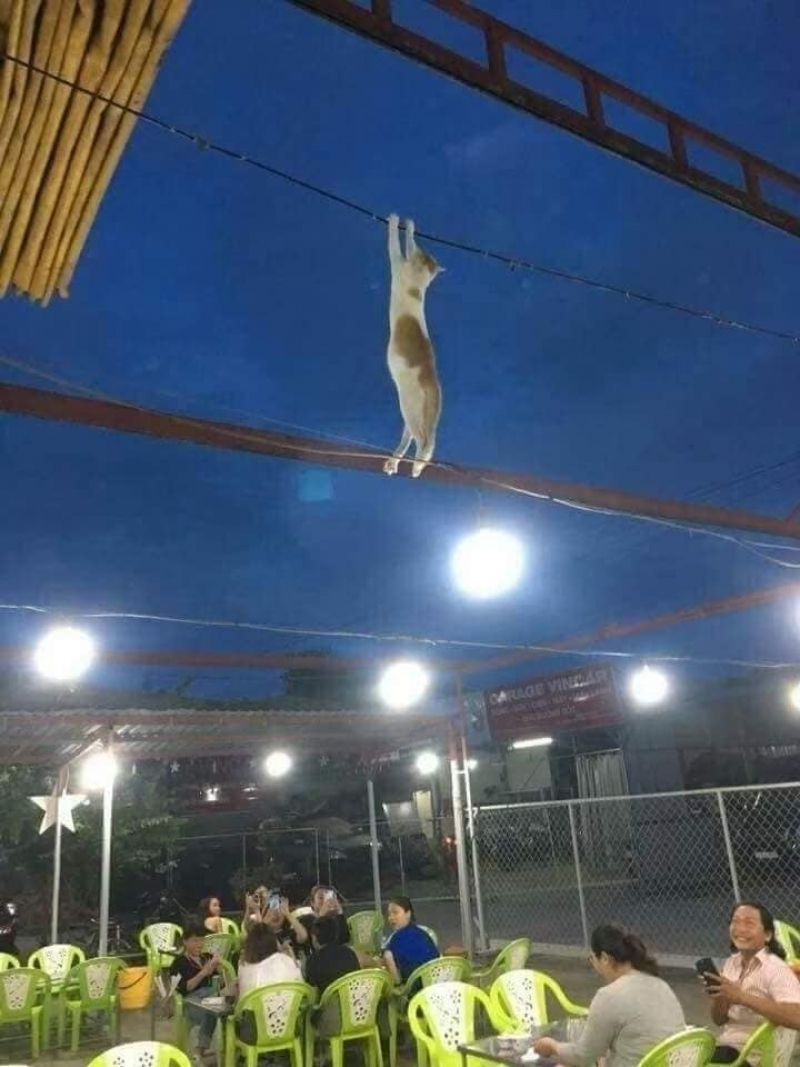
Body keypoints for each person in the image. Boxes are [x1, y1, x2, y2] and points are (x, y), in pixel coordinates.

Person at [533, 925, 685, 1067]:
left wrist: (552, 1046)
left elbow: (582, 1056)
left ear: (604, 958)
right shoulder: (661, 985)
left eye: (592, 959)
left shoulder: (609, 995)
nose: (593, 965)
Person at [703, 901, 800, 1063]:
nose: (740, 928)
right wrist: (720, 995)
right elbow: (719, 1021)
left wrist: (741, 997)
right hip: (728, 1047)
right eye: (735, 921)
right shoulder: (731, 963)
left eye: (749, 923)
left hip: (755, 1056)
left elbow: (797, 1018)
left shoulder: (776, 969)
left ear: (767, 935)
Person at [169, 922, 221, 1061]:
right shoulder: (179, 962)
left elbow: (219, 982)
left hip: (212, 996)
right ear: (185, 941)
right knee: (212, 1011)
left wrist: (219, 968)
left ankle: (230, 1051)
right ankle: (199, 1051)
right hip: (191, 1001)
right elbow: (184, 988)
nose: (199, 944)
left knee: (232, 1012)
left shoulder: (207, 957)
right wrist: (203, 972)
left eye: (201, 940)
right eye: (195, 941)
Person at [382, 896, 438, 985]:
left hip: (415, 989)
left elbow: (396, 979)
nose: (391, 917)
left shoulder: (395, 940)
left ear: (408, 914)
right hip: (436, 983)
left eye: (395, 913)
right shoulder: (424, 933)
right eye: (389, 914)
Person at [238, 923, 302, 997]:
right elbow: (300, 982)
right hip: (292, 1003)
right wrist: (291, 957)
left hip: (254, 1003)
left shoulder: (243, 966)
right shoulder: (286, 960)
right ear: (273, 942)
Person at [306, 916, 361, 995]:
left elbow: (312, 992)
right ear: (336, 934)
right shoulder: (349, 953)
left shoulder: (312, 961)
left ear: (314, 938)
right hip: (354, 999)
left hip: (330, 1002)